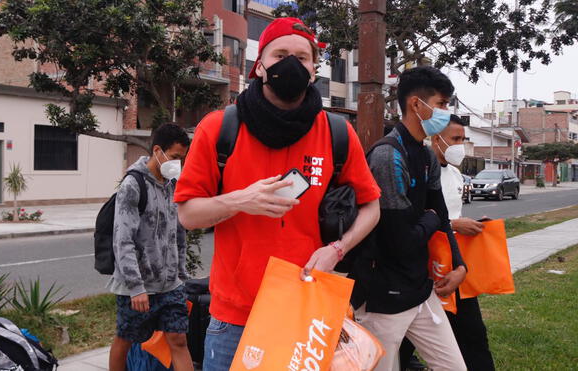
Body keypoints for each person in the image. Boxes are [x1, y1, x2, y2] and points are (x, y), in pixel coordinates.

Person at [174, 17, 381, 371]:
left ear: (314, 70)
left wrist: (337, 249)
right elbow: (188, 215)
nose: (291, 63)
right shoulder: (220, 128)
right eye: (280, 53)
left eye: (302, 58)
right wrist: (241, 200)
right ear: (260, 66)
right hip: (234, 319)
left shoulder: (336, 132)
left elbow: (372, 207)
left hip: (306, 311)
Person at [350, 66, 467, 371]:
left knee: (454, 366)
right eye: (441, 104)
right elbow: (399, 241)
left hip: (420, 290)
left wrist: (460, 264)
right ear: (417, 104)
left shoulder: (426, 154)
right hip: (382, 298)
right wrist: (429, 218)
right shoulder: (389, 156)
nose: (446, 111)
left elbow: (440, 215)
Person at [108, 123, 194, 371]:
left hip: (170, 285)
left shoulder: (172, 185)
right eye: (175, 157)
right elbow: (122, 239)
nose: (178, 163)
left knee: (179, 340)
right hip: (138, 286)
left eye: (182, 159)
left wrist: (181, 275)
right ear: (158, 151)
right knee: (125, 340)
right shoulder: (132, 185)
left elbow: (179, 233)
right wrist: (135, 287)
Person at [430, 114, 496, 370]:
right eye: (455, 139)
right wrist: (454, 225)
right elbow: (416, 217)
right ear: (437, 139)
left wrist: (475, 225)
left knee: (474, 335)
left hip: (457, 268)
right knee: (408, 339)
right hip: (429, 269)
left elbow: (452, 215)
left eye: (463, 138)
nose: (460, 144)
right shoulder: (423, 171)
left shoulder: (456, 175)